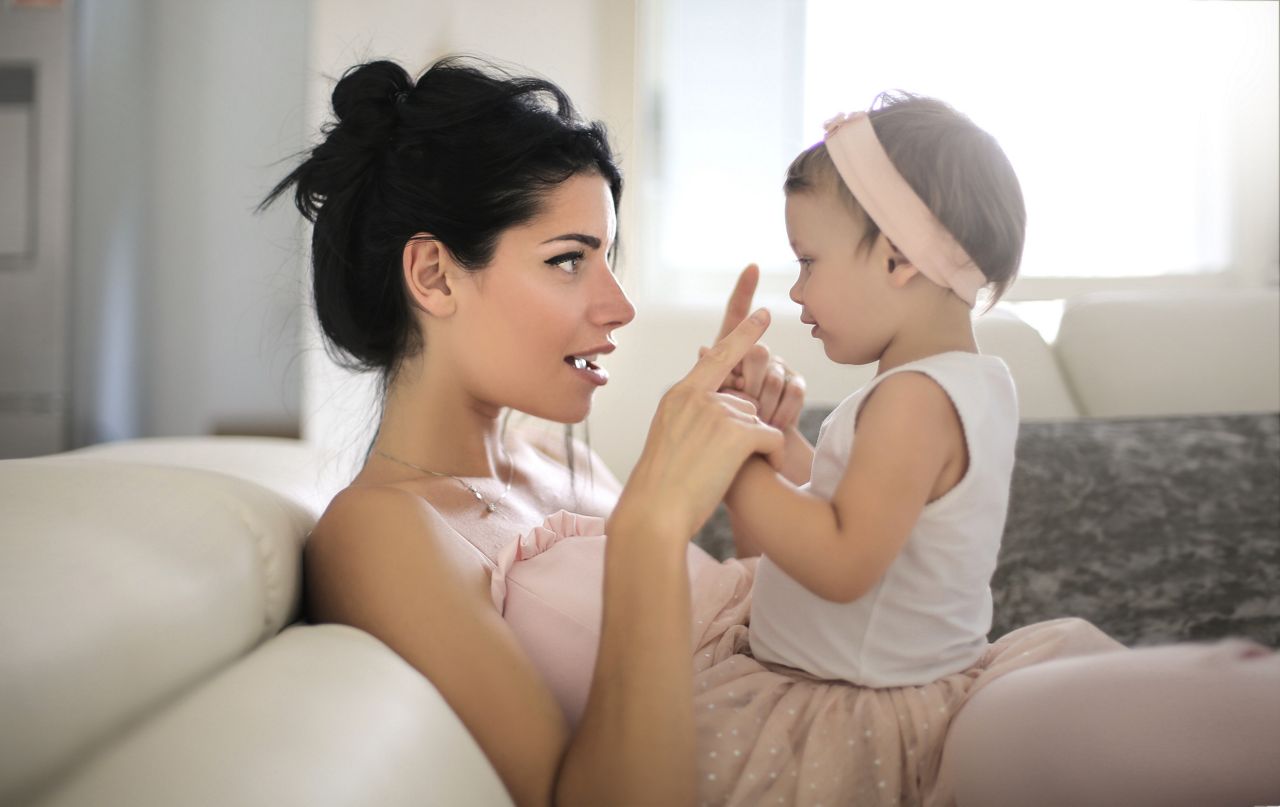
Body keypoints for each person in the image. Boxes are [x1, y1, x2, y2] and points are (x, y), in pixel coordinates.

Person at [264, 56, 1280, 807]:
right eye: (571, 259)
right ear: (434, 274)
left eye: (611, 258)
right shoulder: (381, 532)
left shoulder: (543, 462)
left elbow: (747, 647)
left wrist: (758, 453)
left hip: (898, 717)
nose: (617, 306)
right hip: (909, 762)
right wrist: (657, 521)